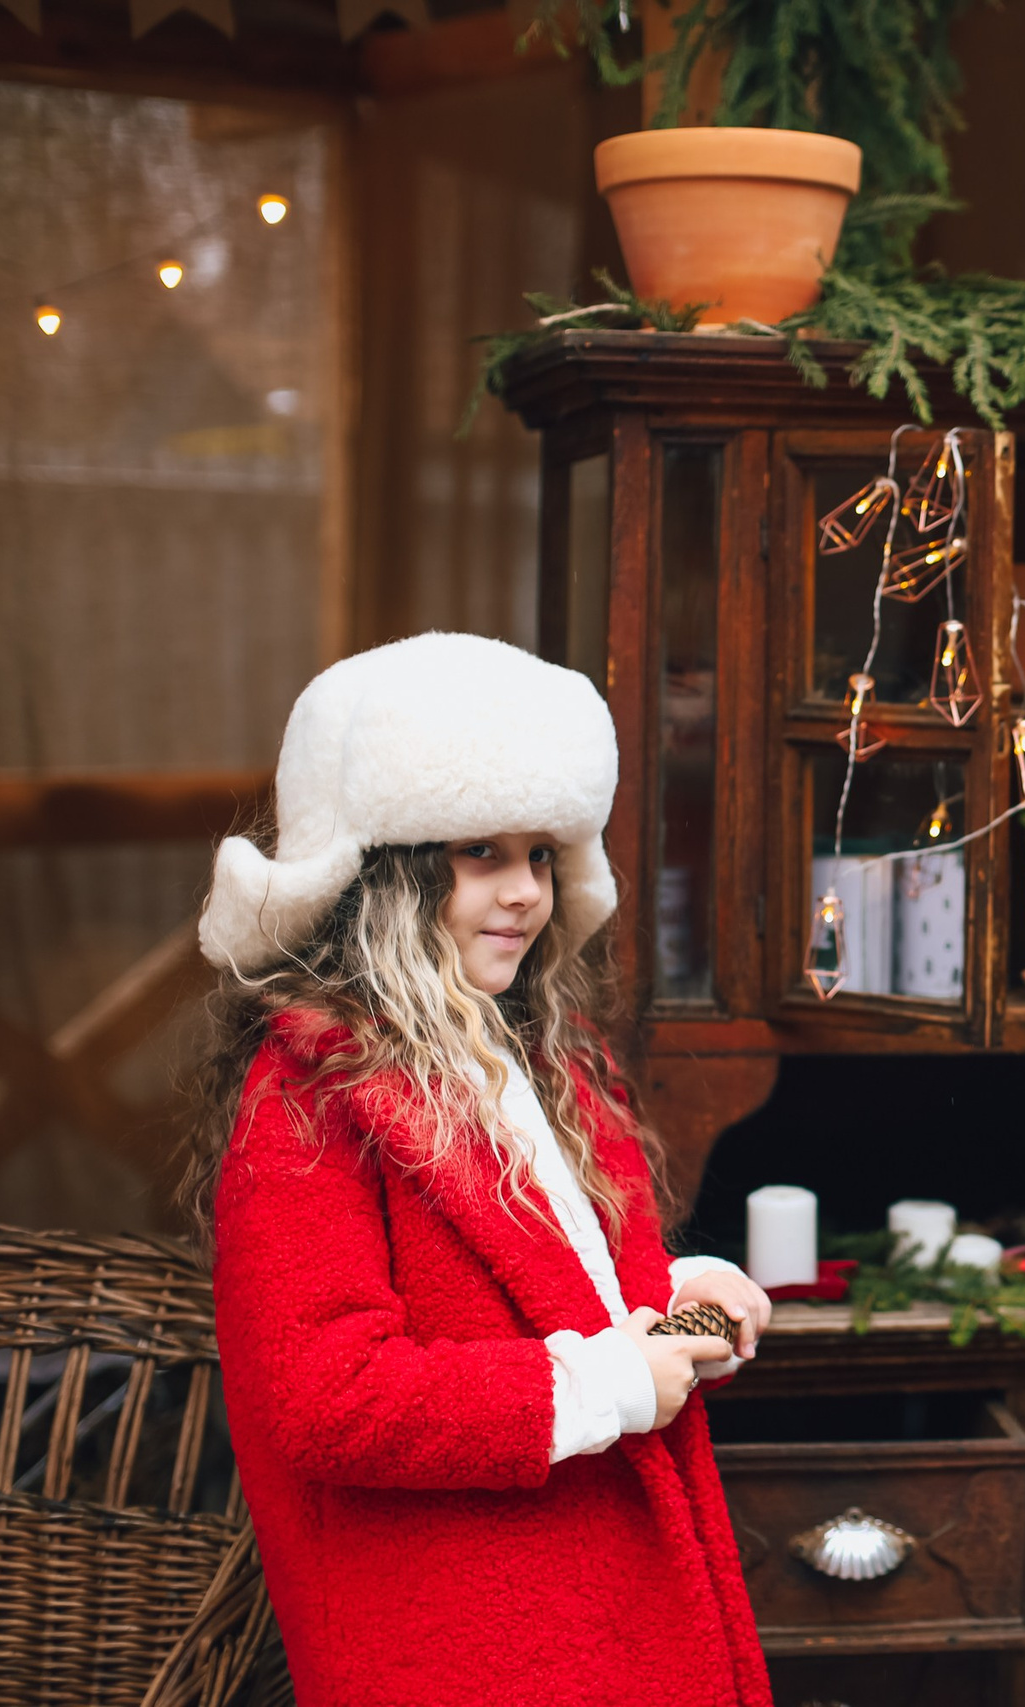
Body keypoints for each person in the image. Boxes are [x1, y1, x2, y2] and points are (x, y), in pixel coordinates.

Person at [183, 631, 773, 1707]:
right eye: (480, 854)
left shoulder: (546, 1063)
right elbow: (327, 1396)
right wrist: (601, 1381)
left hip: (600, 1610)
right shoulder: (309, 1098)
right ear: (388, 875)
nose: (523, 893)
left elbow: (594, 1312)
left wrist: (686, 1306)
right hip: (459, 1638)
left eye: (540, 856)